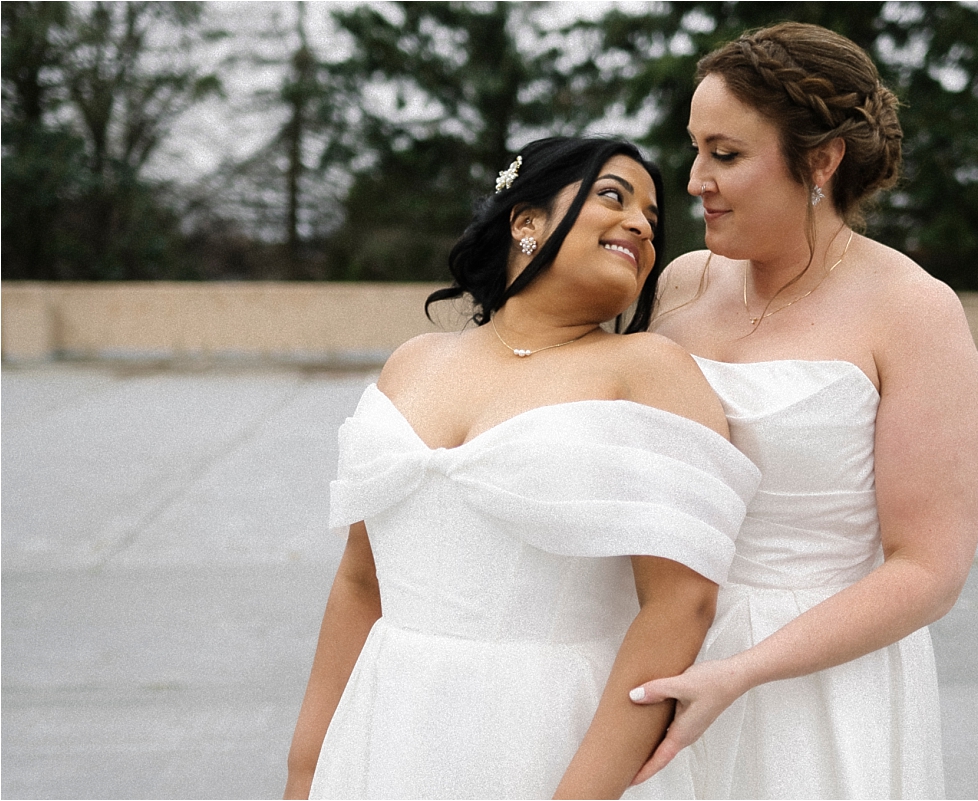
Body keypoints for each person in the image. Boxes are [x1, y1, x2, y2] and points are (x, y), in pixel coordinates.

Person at [283, 136, 760, 800]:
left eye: (653, 221)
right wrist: (307, 767)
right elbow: (362, 583)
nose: (641, 226)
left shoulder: (648, 370)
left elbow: (681, 604)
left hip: (548, 736)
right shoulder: (413, 362)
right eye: (613, 196)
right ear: (526, 220)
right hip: (387, 727)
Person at [629, 23, 978, 799]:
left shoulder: (913, 310)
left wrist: (743, 670)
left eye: (725, 154)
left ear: (821, 160)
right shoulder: (681, 284)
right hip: (658, 655)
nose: (694, 180)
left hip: (814, 687)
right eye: (694, 149)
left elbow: (929, 568)